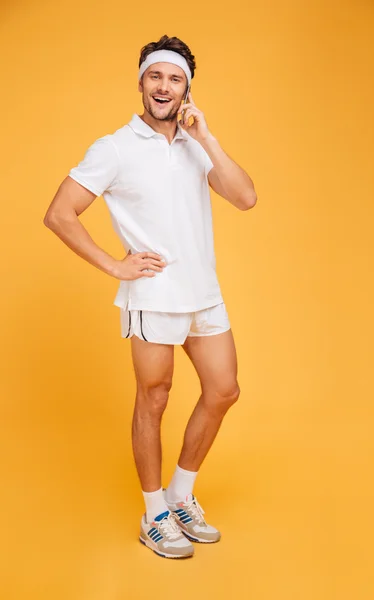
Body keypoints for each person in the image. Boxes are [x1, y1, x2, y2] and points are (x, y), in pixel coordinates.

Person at [43, 34, 257, 559]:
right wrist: (116, 266)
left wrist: (206, 137)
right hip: (152, 298)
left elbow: (246, 197)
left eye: (175, 78)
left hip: (203, 294)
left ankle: (182, 495)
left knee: (223, 390)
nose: (164, 87)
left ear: (187, 89)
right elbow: (59, 213)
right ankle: (155, 512)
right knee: (154, 400)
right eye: (155, 77)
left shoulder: (193, 145)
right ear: (141, 82)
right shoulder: (114, 147)